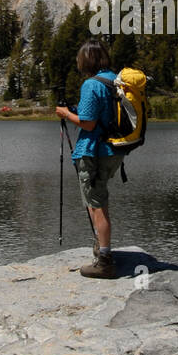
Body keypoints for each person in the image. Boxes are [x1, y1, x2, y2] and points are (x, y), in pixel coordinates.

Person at [56, 40, 122, 278]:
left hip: (93, 150)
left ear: (87, 60)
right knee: (99, 197)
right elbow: (98, 114)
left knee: (96, 204)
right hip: (113, 151)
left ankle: (104, 259)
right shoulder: (115, 80)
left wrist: (65, 113)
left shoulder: (91, 84)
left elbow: (88, 123)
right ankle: (102, 247)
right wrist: (75, 111)